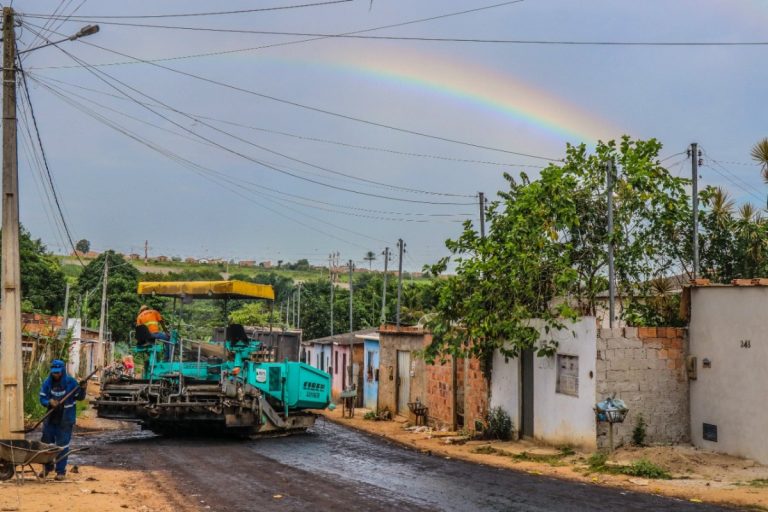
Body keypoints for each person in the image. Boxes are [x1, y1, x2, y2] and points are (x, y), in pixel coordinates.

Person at [39, 359, 87, 480]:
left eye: (58, 372)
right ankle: (47, 468)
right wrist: (49, 402)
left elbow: (80, 397)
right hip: (51, 419)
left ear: (62, 371)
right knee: (46, 445)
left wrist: (83, 389)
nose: (56, 374)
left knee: (62, 446)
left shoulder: (71, 382)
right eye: (54, 372)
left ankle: (60, 472)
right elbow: (42, 398)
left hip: (65, 420)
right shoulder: (47, 383)